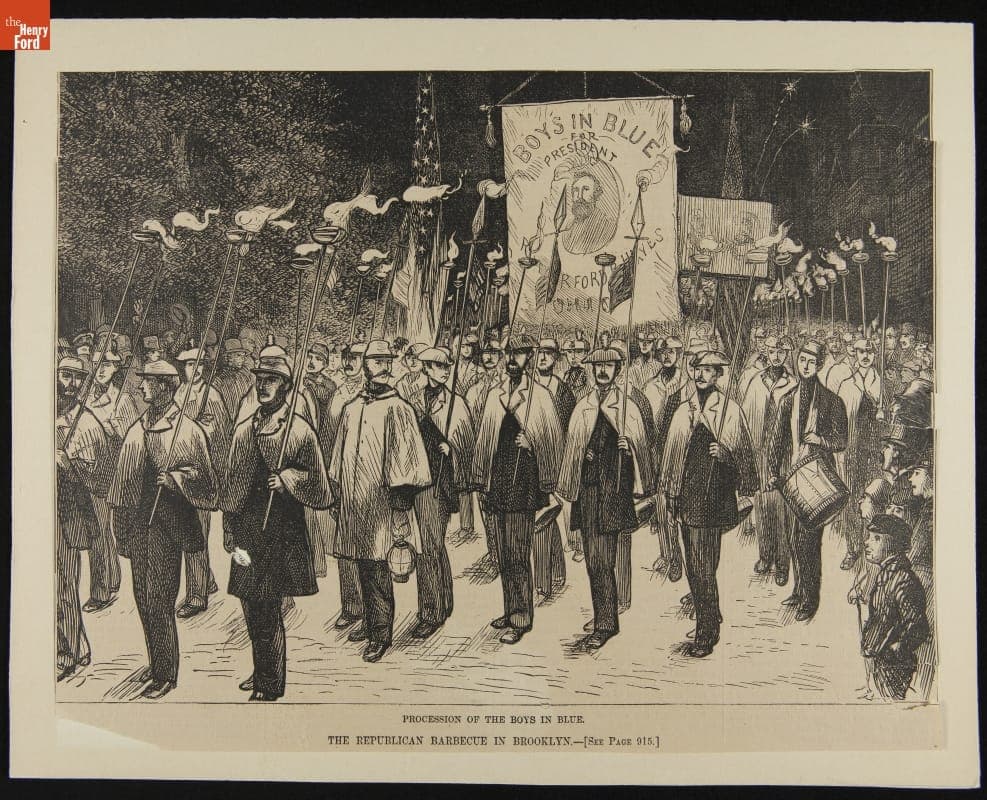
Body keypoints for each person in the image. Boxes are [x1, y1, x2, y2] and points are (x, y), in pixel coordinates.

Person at [221, 346, 332, 701]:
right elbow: (232, 480)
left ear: (285, 386)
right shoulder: (245, 427)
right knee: (250, 606)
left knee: (267, 606)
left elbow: (320, 485)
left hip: (279, 531)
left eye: (272, 380)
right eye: (261, 379)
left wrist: (287, 480)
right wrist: (229, 525)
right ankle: (261, 669)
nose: (264, 386)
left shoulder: (298, 430)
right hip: (248, 528)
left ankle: (270, 685)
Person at [108, 359, 218, 699]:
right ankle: (156, 662)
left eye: (149, 383)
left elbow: (208, 484)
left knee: (159, 600)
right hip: (138, 526)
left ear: (166, 388)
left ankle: (165, 674)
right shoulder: (137, 428)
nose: (142, 388)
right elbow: (122, 485)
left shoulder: (188, 430)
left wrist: (176, 479)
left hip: (167, 529)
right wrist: (121, 529)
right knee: (143, 599)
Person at [328, 340, 431, 662]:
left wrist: (400, 504)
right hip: (353, 501)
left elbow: (409, 459)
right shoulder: (352, 407)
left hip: (382, 503)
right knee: (358, 564)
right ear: (365, 365)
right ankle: (368, 622)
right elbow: (339, 458)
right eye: (376, 360)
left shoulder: (399, 408)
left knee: (377, 569)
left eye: (387, 360)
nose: (383, 366)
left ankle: (380, 634)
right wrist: (337, 493)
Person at [661, 350, 758, 657]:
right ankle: (710, 616)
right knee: (695, 566)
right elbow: (673, 456)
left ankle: (706, 632)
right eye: (698, 369)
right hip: (688, 497)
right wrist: (672, 494)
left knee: (704, 568)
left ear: (718, 375)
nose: (701, 374)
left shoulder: (730, 411)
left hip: (714, 500)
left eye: (708, 370)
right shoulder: (683, 410)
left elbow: (746, 459)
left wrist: (726, 454)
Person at [557, 345, 653, 648]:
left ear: (617, 369)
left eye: (608, 365)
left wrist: (629, 449)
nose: (602, 370)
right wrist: (580, 457)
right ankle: (605, 617)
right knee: (594, 561)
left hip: (614, 492)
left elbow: (642, 453)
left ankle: (606, 622)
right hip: (589, 493)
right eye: (597, 365)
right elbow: (572, 450)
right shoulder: (582, 406)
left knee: (604, 561)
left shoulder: (627, 408)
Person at [471, 334, 563, 645]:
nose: (513, 359)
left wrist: (533, 444)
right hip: (498, 481)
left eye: (520, 354)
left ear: (530, 357)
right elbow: (484, 438)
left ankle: (522, 617)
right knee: (503, 554)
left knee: (519, 553)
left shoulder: (541, 397)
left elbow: (553, 443)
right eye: (509, 353)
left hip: (523, 484)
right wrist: (480, 478)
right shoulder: (495, 393)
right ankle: (510, 610)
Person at [766, 340, 848, 621]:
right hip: (792, 479)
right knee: (793, 537)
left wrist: (820, 440)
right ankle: (799, 590)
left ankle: (810, 599)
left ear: (820, 365)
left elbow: (841, 441)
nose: (805, 365)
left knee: (809, 541)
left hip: (818, 479)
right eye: (802, 359)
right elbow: (776, 440)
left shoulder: (832, 401)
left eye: (812, 361)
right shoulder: (788, 399)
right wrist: (773, 471)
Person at [404, 347, 475, 637]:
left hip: (440, 482)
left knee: (428, 545)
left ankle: (431, 613)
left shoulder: (456, 403)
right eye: (437, 365)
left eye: (446, 365)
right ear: (425, 368)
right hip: (417, 478)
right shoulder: (413, 400)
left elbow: (467, 443)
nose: (444, 370)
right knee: (431, 543)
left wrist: (452, 448)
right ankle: (443, 602)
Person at [55, 355, 110, 679]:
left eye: (77, 377)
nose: (70, 383)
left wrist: (70, 465)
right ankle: (76, 646)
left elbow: (100, 477)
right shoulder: (39, 410)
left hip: (68, 512)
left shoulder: (87, 423)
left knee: (62, 581)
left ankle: (68, 652)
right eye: (65, 375)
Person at [174, 343, 233, 618]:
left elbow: (221, 437)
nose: (193, 370)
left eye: (198, 364)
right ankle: (206, 581)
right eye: (188, 364)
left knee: (196, 534)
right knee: (187, 530)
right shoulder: (179, 393)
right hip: (180, 471)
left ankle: (196, 596)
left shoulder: (213, 396)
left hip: (202, 472)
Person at [82, 348, 140, 611]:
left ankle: (111, 580)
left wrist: (115, 430)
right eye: (98, 363)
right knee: (99, 529)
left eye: (108, 363)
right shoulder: (84, 397)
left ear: (117, 368)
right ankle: (103, 588)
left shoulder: (124, 400)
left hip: (116, 473)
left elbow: (134, 442)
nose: (102, 368)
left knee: (114, 530)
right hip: (92, 471)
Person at [851, 514, 930, 701]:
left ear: (893, 545)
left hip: (894, 668)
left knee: (892, 706)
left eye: (876, 538)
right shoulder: (886, 573)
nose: (867, 543)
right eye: (869, 536)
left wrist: (897, 649)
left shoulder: (903, 580)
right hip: (881, 661)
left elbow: (919, 626)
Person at [740, 335, 798, 585]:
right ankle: (766, 556)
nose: (776, 356)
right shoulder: (755, 381)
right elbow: (745, 414)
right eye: (773, 351)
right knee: (762, 506)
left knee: (782, 510)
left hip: (782, 455)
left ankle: (783, 564)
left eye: (781, 352)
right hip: (759, 452)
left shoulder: (793, 383)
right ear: (766, 351)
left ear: (786, 354)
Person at [322, 340, 367, 632]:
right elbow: (327, 436)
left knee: (368, 547)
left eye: (356, 358)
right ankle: (351, 606)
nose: (350, 362)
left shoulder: (370, 395)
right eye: (347, 357)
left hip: (366, 479)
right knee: (344, 545)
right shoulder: (338, 393)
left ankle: (371, 610)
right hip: (340, 475)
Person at [643, 335, 694, 582]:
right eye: (663, 351)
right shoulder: (650, 386)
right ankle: (669, 555)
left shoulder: (688, 385)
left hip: (683, 453)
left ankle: (683, 558)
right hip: (658, 452)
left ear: (679, 354)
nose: (667, 355)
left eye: (672, 351)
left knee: (681, 508)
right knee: (662, 506)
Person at [835, 338, 884, 571]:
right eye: (861, 351)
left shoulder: (881, 384)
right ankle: (853, 549)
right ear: (853, 353)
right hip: (852, 451)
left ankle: (876, 547)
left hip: (874, 453)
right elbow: (839, 422)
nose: (865, 355)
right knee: (851, 500)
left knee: (874, 498)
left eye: (869, 351)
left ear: (874, 354)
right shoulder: (846, 385)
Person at [531, 337, 573, 596]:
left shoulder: (563, 391)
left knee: (543, 516)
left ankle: (543, 581)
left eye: (548, 353)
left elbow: (569, 429)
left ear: (556, 358)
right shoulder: (526, 388)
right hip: (530, 458)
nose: (543, 358)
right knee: (545, 516)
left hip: (553, 459)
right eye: (539, 353)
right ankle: (555, 572)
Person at [465, 338, 506, 571]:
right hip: (482, 454)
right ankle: (494, 553)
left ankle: (505, 553)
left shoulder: (507, 386)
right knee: (485, 505)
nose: (489, 357)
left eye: (494, 352)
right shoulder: (474, 390)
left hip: (503, 454)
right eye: (486, 353)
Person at [213, 338, 255, 419]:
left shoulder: (247, 376)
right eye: (238, 355)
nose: (243, 358)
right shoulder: (219, 379)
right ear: (228, 357)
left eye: (244, 356)